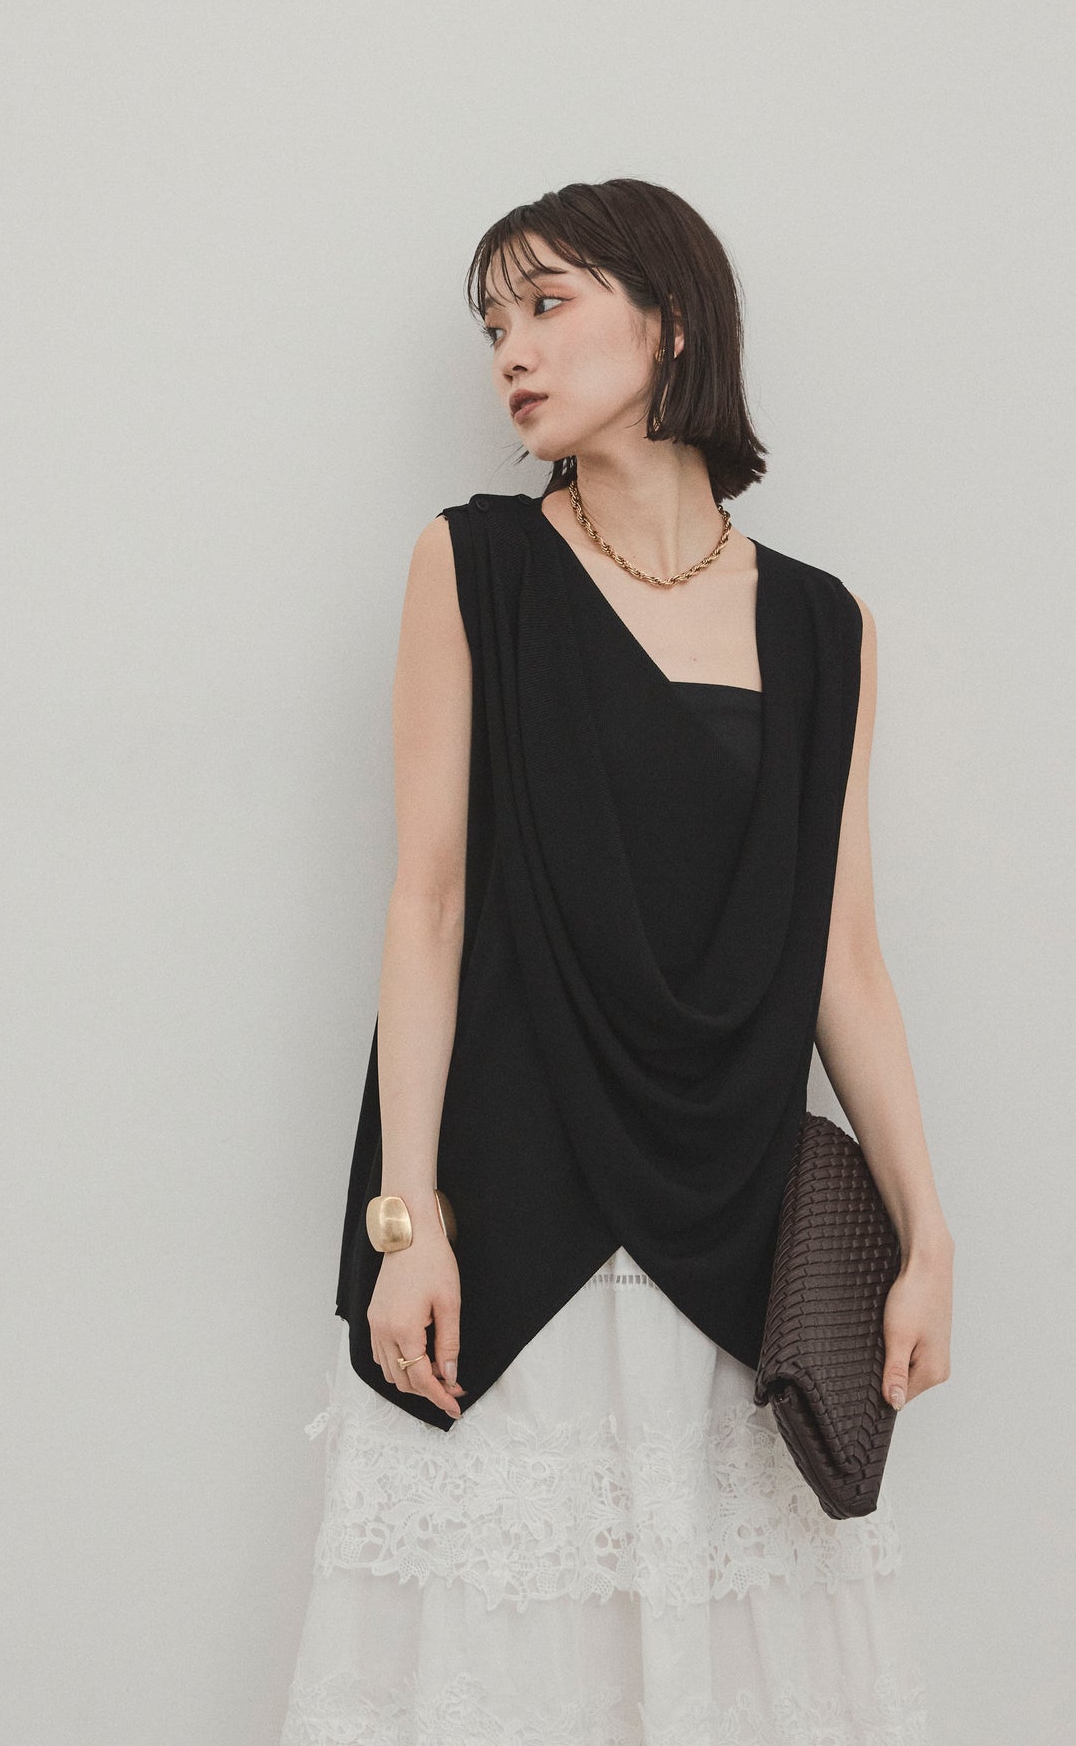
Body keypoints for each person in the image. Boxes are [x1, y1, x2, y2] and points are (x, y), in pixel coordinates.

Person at [279, 177, 953, 1743]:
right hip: (512, 1221)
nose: (509, 353)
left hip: (731, 1232)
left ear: (670, 324)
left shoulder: (821, 626)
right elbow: (426, 903)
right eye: (490, 325)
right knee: (496, 1677)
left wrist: (926, 1236)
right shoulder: (476, 566)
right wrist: (404, 1220)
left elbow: (842, 956)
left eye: (546, 304)